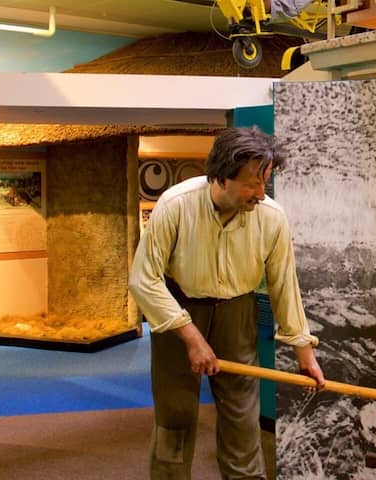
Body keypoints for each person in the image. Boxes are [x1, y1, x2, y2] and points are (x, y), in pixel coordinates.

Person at [129, 127, 325, 480]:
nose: (261, 194)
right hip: (179, 311)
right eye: (252, 184)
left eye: (265, 183)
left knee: (242, 418)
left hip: (237, 312)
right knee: (175, 417)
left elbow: (284, 285)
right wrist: (191, 338)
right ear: (220, 177)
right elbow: (143, 279)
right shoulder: (175, 205)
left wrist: (304, 354)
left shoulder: (271, 217)